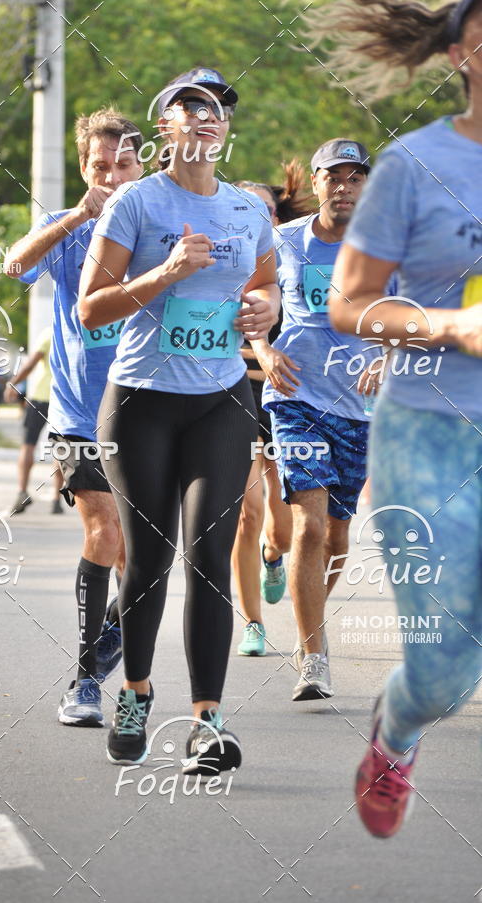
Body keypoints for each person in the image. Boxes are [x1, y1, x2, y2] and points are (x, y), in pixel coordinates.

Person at [79, 67, 280, 773]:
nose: (205, 120)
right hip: (140, 402)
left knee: (211, 558)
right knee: (151, 562)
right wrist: (162, 275)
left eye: (216, 110)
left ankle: (207, 723)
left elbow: (265, 285)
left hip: (222, 401)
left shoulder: (246, 210)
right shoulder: (135, 203)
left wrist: (266, 312)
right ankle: (135, 693)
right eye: (188, 110)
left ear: (226, 129)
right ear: (162, 127)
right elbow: (90, 308)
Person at [319, 0, 482, 838]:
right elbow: (347, 304)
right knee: (445, 670)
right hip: (430, 430)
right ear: (461, 51)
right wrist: (448, 325)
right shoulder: (417, 166)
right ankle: (400, 724)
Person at [4, 108, 144, 726]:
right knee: (106, 534)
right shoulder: (66, 227)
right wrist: (80, 214)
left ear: (142, 165)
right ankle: (88, 681)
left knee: (145, 558)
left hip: (158, 408)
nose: (110, 177)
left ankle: (116, 661)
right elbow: (15, 264)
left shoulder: (166, 223)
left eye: (122, 165)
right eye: (98, 166)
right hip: (82, 412)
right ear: (83, 168)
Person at [258, 138, 380, 701]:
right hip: (296, 400)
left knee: (336, 534)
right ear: (318, 180)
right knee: (308, 524)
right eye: (335, 176)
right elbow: (245, 297)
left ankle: (312, 617)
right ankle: (314, 657)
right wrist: (263, 351)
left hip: (358, 406)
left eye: (356, 177)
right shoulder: (282, 241)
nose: (345, 187)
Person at [231, 167, 312, 657]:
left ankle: (272, 556)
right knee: (246, 511)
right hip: (227, 395)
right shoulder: (215, 260)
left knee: (280, 528)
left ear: (277, 218)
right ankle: (253, 623)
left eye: (263, 209)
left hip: (281, 397)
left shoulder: (294, 263)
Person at [5, 326, 64, 515]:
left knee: (28, 445)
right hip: (62, 398)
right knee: (59, 449)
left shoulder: (49, 333)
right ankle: (56, 498)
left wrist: (13, 382)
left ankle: (22, 491)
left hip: (39, 396)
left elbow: (30, 364)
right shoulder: (76, 331)